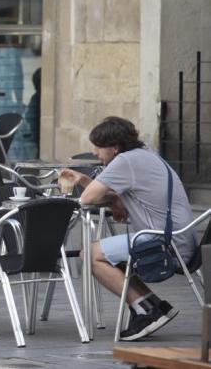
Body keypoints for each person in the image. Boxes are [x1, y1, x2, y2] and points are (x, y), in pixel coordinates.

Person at [60, 116, 196, 341]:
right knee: (106, 254)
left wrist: (87, 186)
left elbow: (86, 198)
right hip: (181, 238)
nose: (94, 152)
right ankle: (154, 305)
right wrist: (85, 178)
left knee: (90, 254)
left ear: (115, 147)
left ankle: (146, 311)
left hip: (166, 243)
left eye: (98, 147)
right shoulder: (145, 155)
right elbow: (117, 196)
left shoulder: (125, 161)